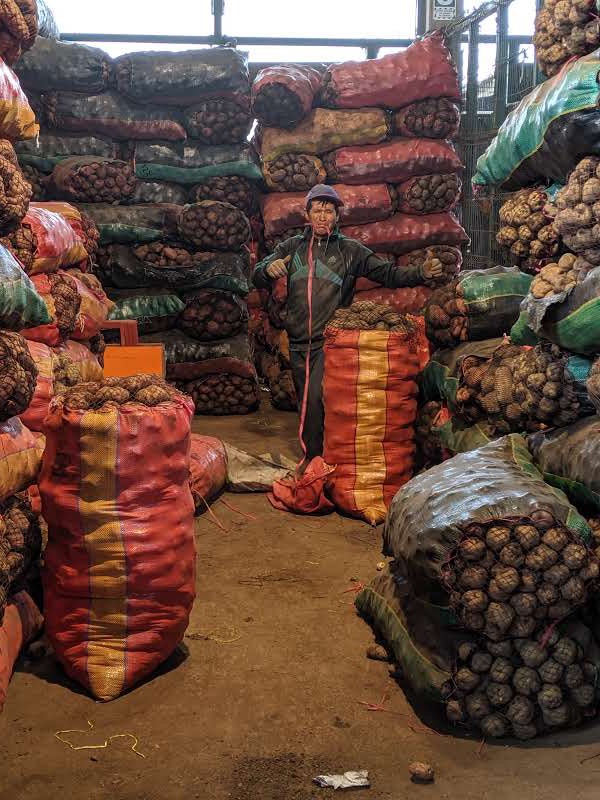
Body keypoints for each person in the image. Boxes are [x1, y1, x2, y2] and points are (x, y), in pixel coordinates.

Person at [253, 184, 443, 461]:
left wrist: (421, 273)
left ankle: (318, 460)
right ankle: (317, 459)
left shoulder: (350, 250)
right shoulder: (291, 247)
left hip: (330, 340)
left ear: (337, 216)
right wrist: (267, 269)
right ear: (306, 215)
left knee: (319, 401)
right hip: (297, 342)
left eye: (328, 211)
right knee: (307, 403)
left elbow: (387, 274)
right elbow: (257, 274)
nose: (321, 216)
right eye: (316, 210)